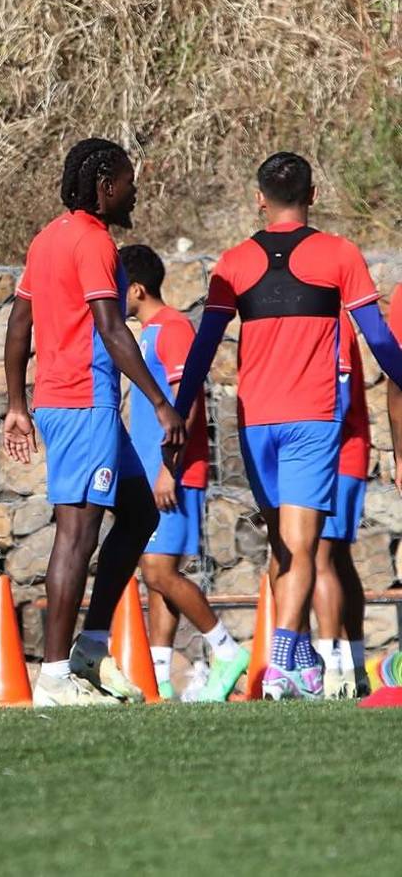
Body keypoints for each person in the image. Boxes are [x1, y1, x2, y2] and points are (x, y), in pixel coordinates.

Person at [173, 151, 402, 700]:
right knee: (301, 549)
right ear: (313, 195)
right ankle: (280, 663)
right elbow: (378, 340)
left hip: (256, 422)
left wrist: (178, 407)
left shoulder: (232, 262)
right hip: (310, 420)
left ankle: (298, 662)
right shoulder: (339, 254)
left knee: (283, 547)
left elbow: (205, 345)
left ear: (259, 198)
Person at [2, 138, 185, 707]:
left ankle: (90, 648)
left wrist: (16, 403)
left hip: (72, 402)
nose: (135, 190)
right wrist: (159, 402)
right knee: (77, 534)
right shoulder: (94, 243)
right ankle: (54, 679)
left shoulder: (47, 238)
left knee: (135, 511)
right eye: (129, 180)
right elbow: (113, 329)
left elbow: (18, 325)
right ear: (106, 187)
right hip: (83, 403)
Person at [121, 244, 249, 701]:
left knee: (158, 571)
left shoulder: (172, 329)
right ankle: (157, 681)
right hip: (153, 474)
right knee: (155, 574)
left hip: (172, 475)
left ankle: (227, 650)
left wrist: (167, 470)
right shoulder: (148, 333)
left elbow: (187, 404)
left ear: (135, 288)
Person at [311, 309, 370, 699]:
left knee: (319, 557)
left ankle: (331, 670)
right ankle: (355, 666)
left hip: (336, 455)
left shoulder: (334, 321)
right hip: (335, 454)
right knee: (338, 560)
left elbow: (341, 395)